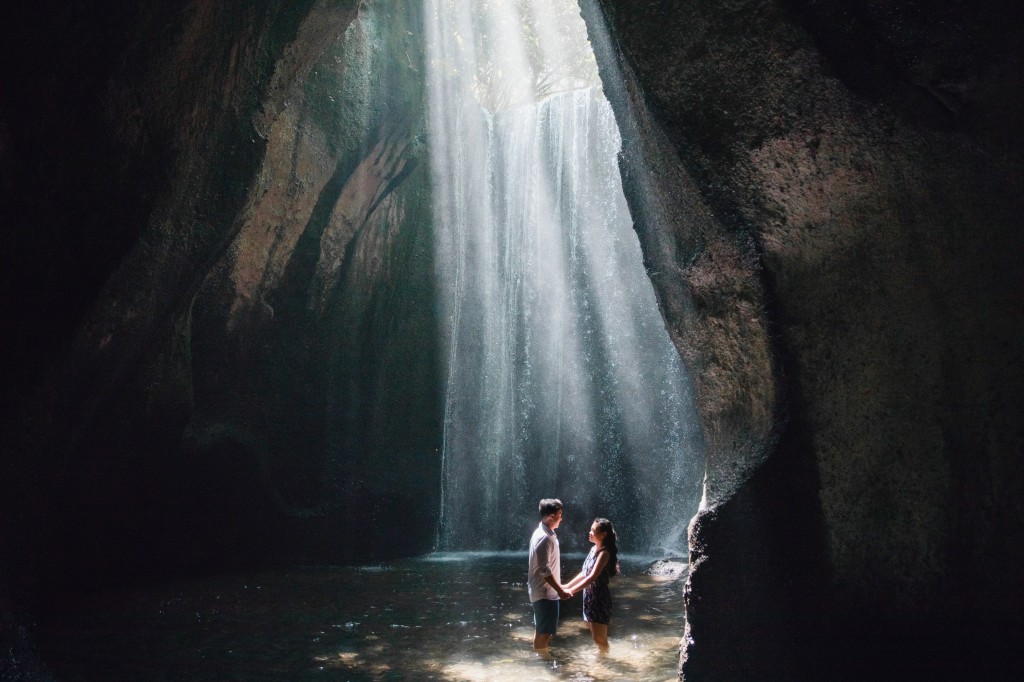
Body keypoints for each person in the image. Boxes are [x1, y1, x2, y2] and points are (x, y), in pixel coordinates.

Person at [564, 517, 619, 652]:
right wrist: (566, 586)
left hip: (598, 599)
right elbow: (584, 573)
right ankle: (603, 656)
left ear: (603, 534)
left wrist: (571, 591)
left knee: (599, 639)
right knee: (596, 635)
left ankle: (604, 662)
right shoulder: (593, 549)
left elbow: (591, 577)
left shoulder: (604, 553)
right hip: (588, 597)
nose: (590, 532)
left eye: (593, 531)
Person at [528, 498, 572, 653]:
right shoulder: (543, 538)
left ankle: (538, 659)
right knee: (544, 633)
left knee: (542, 630)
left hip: (544, 592)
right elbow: (543, 569)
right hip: (545, 594)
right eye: (560, 514)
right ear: (551, 516)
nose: (562, 517)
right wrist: (560, 590)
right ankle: (541, 664)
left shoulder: (546, 534)